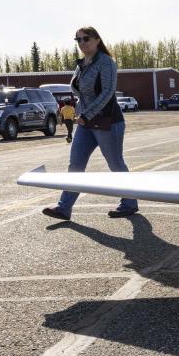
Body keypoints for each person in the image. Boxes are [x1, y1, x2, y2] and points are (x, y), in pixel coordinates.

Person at [42, 26, 138, 220]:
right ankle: (64, 208)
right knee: (75, 164)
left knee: (115, 163)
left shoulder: (106, 62)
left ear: (96, 40)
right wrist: (79, 113)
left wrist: (88, 114)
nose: (82, 43)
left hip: (108, 121)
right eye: (78, 40)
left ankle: (129, 203)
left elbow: (107, 92)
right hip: (85, 123)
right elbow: (80, 93)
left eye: (86, 39)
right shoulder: (81, 64)